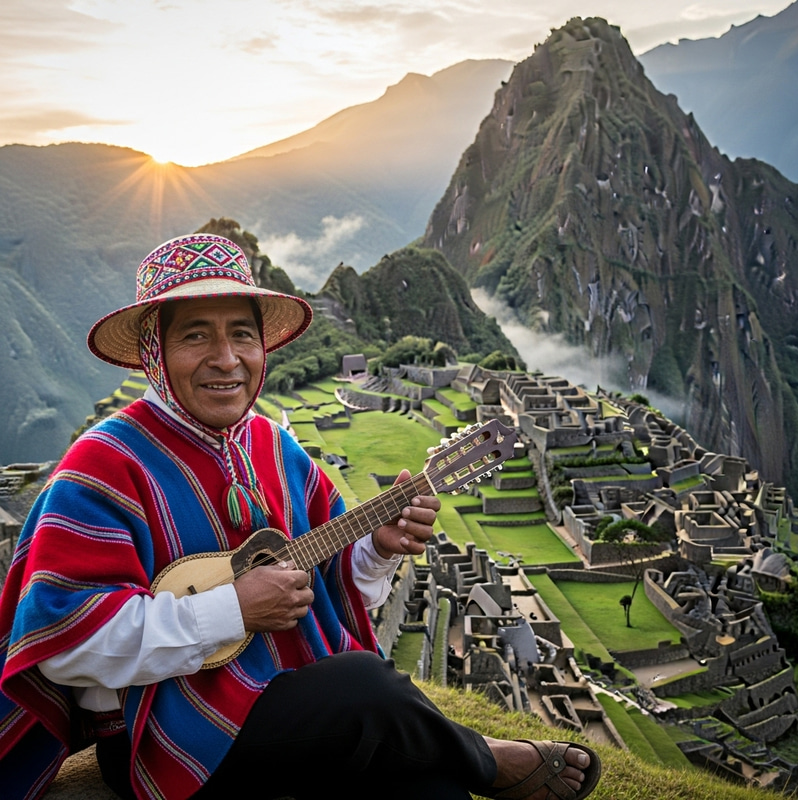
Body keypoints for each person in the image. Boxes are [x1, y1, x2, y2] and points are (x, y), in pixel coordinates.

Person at [0, 233, 601, 800]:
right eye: (195, 337)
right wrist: (231, 609)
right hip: (164, 735)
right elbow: (65, 644)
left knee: (425, 783)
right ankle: (492, 760)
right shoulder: (105, 463)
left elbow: (332, 585)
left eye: (242, 334)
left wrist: (377, 550)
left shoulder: (272, 444)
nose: (226, 359)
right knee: (365, 687)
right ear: (156, 351)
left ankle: (460, 766)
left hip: (286, 698)